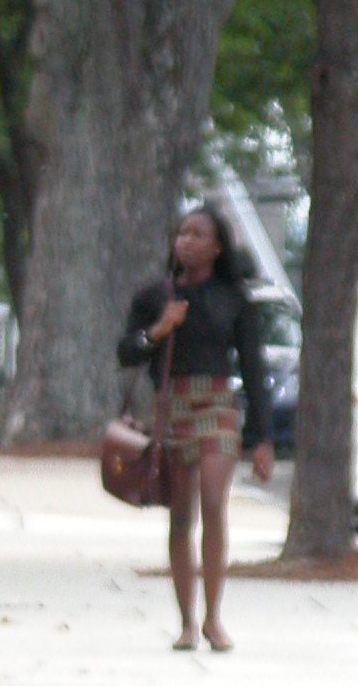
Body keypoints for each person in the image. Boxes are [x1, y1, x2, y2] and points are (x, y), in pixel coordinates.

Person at [117, 203, 273, 652]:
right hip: (172, 406)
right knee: (181, 513)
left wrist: (262, 438)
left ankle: (214, 619)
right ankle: (187, 622)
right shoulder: (155, 295)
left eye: (198, 234)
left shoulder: (234, 298)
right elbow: (127, 352)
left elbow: (254, 365)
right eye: (181, 232)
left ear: (217, 245)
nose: (186, 240)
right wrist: (158, 329)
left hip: (219, 405)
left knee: (213, 501)